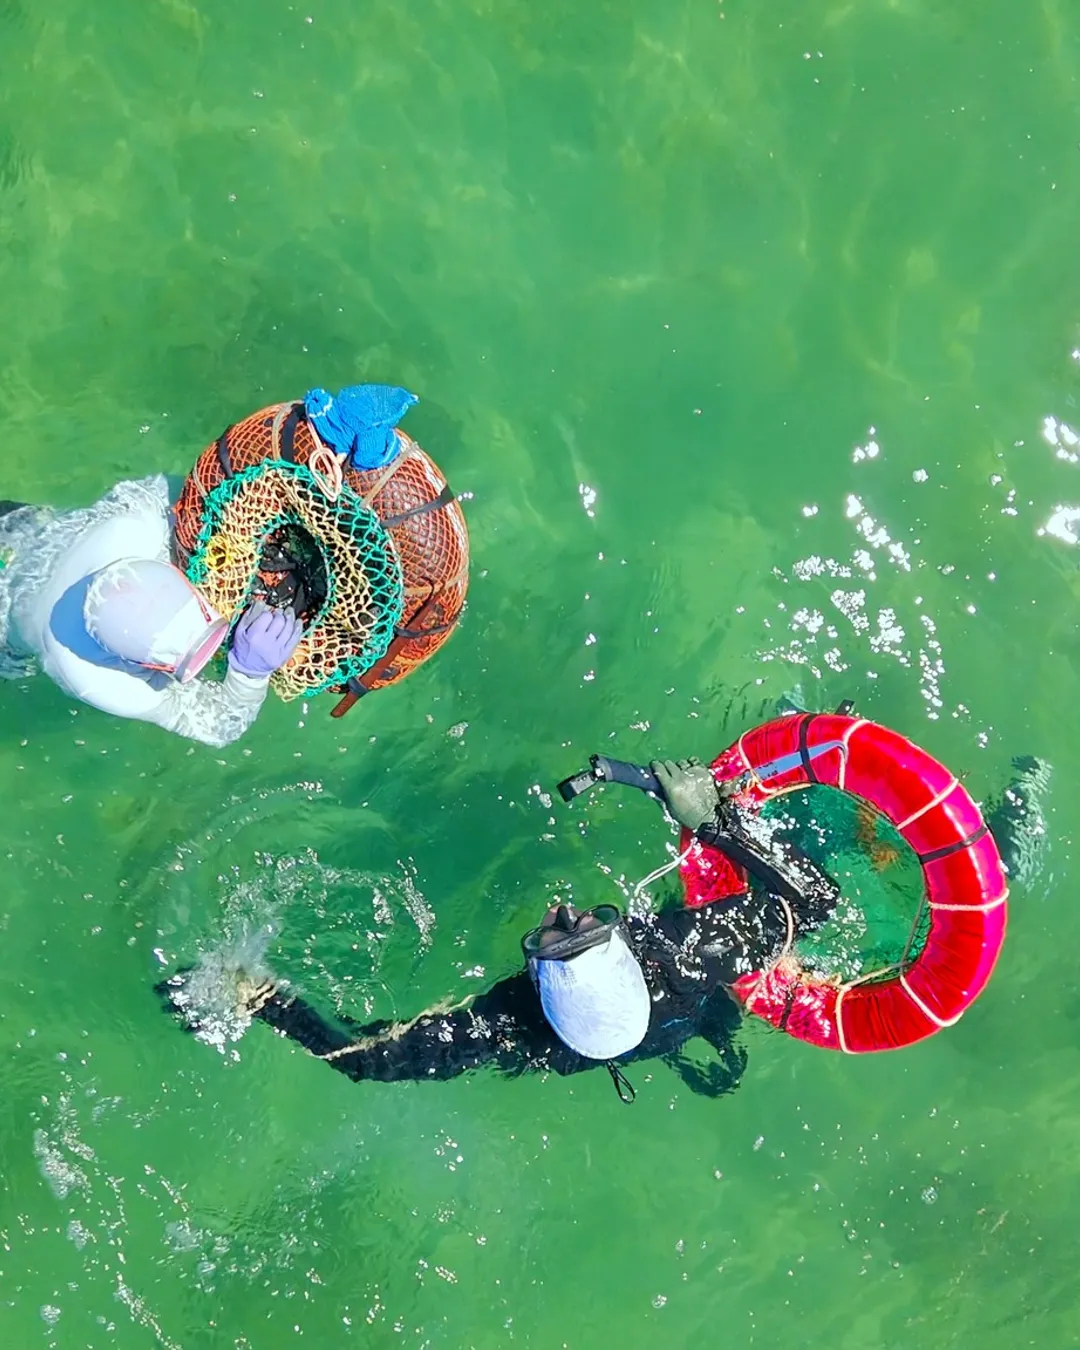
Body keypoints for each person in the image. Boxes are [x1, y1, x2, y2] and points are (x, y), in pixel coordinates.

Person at [159, 760, 843, 1101]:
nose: (565, 910)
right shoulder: (685, 955)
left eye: (555, 937)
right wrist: (716, 822)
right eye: (585, 928)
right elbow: (818, 898)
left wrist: (259, 998)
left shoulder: (508, 1026)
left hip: (632, 1030)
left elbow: (361, 1058)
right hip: (675, 1009)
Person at [0, 480, 302, 747]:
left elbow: (205, 490)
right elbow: (217, 727)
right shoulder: (94, 677)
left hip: (25, 533)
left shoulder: (141, 519)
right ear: (140, 665)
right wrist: (249, 675)